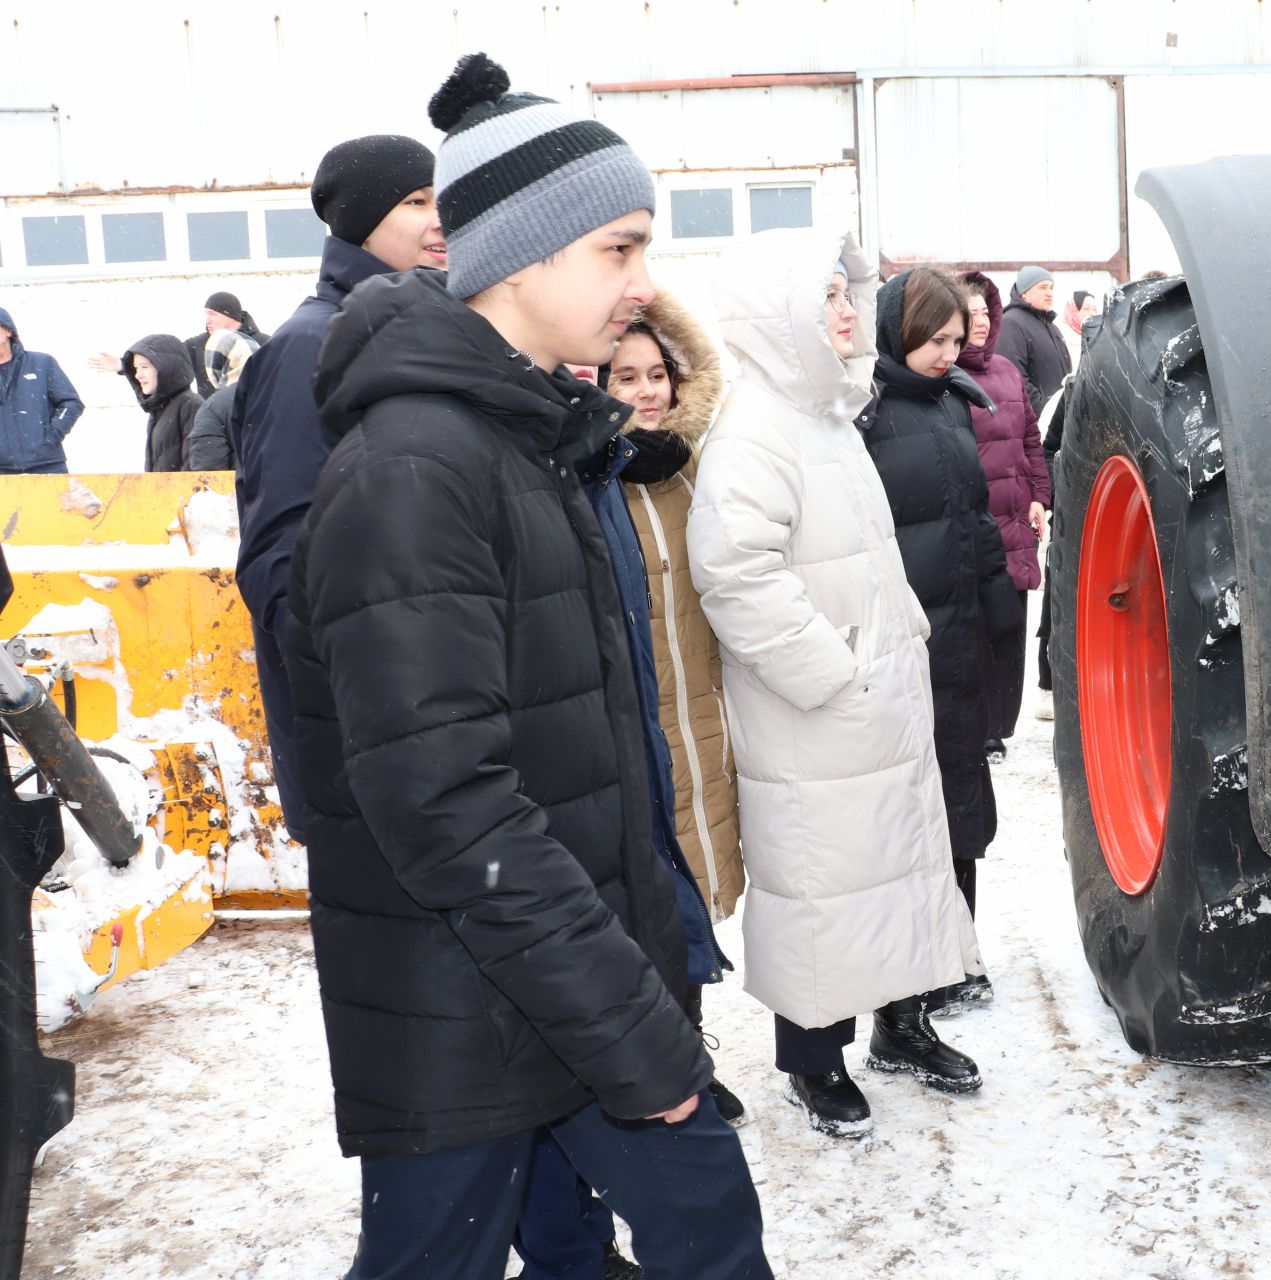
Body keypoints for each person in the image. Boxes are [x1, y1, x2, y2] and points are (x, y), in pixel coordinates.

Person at [282, 53, 769, 1280]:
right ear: (519, 254)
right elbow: (448, 800)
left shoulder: (531, 440)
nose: (644, 285)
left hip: (559, 980)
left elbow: (584, 747)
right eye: (619, 248)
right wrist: (633, 1031)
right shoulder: (416, 469)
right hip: (470, 1011)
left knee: (691, 1233)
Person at [687, 230, 984, 1140]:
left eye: (845, 294)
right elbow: (736, 573)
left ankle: (902, 1026)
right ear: (781, 316)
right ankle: (813, 1064)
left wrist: (902, 637)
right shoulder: (755, 430)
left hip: (877, 697)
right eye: (827, 298)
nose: (849, 312)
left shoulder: (824, 417)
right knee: (820, 884)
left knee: (891, 869)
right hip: (819, 714)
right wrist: (832, 671)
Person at [233, 131, 442, 849]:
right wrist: (373, 690)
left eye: (446, 198)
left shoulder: (434, 334)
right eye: (416, 200)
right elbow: (279, 563)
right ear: (358, 218)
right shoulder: (308, 348)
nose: (439, 218)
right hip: (370, 737)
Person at [860, 267, 1022, 1012]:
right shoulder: (864, 416)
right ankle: (911, 971)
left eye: (957, 338)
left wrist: (998, 604)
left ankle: (959, 951)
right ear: (898, 329)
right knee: (906, 808)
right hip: (902, 641)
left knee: (961, 795)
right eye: (933, 337)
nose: (946, 351)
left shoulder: (957, 403)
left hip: (959, 634)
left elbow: (978, 516)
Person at [603, 297, 750, 1113]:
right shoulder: (586, 479)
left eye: (658, 374)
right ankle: (658, 1064)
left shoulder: (699, 468)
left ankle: (689, 1050)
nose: (647, 391)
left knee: (691, 886)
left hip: (701, 712)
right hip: (630, 718)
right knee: (640, 904)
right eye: (626, 376)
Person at [955, 271, 1050, 763]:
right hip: (972, 524)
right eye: (968, 314)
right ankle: (976, 729)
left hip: (1013, 519)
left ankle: (996, 726)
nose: (979, 322)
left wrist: (1039, 494)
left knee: (1007, 626)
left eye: (985, 313)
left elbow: (1030, 440)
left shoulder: (1008, 371)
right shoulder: (945, 378)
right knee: (970, 630)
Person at [0, 307, 84, 475]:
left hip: (47, 466)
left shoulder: (41, 363)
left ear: (8, 330)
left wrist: (50, 437)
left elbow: (71, 403)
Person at [997, 264, 1072, 413]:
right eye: (1043, 287)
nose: (1049, 293)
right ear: (1024, 292)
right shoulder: (1010, 322)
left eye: (1051, 287)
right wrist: (1044, 410)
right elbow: (1013, 376)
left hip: (1059, 418)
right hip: (1036, 422)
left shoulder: (1051, 326)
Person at [120, 335, 200, 473]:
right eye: (135, 368)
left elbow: (192, 469)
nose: (138, 375)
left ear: (166, 367)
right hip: (162, 493)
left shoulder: (190, 405)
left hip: (180, 493)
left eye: (144, 367)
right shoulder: (160, 407)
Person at [187, 292, 267, 397]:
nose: (207, 320)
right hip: (211, 411)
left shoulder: (266, 344)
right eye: (206, 314)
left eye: (213, 314)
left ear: (230, 316)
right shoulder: (197, 345)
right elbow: (171, 363)